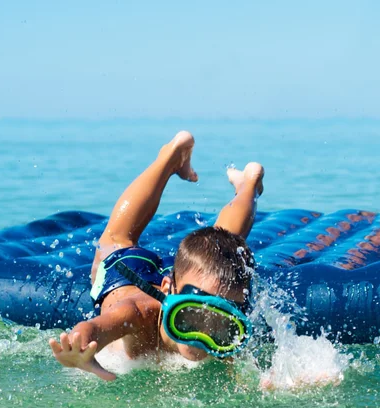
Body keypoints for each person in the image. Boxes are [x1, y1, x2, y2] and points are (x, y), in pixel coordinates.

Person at [49, 131, 264, 380]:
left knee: (223, 246)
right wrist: (78, 349)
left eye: (222, 324)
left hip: (191, 283)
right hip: (123, 271)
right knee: (115, 239)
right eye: (191, 315)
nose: (203, 336)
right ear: (167, 289)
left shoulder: (223, 330)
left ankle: (250, 183)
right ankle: (169, 157)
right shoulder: (137, 314)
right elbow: (93, 328)